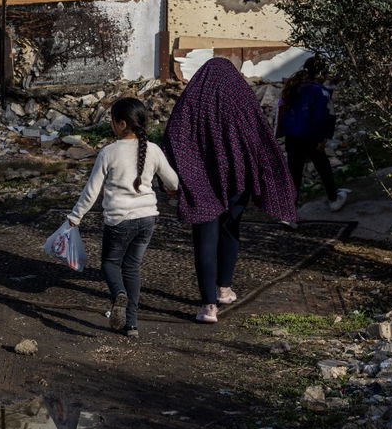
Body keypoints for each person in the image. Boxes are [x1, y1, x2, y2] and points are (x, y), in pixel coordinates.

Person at [163, 58, 297, 324]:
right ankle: (224, 289)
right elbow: (259, 137)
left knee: (205, 240)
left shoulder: (193, 99)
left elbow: (174, 136)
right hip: (238, 179)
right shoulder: (241, 98)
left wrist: (175, 178)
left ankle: (208, 307)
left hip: (200, 180)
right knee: (231, 229)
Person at [64, 97, 179, 337]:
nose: (112, 125)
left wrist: (75, 217)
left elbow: (91, 191)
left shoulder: (109, 152)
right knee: (132, 268)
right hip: (147, 218)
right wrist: (168, 188)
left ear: (122, 124)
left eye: (113, 121)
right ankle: (132, 325)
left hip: (119, 220)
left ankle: (118, 295)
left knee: (110, 263)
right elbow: (173, 182)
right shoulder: (154, 150)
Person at [277, 56, 350, 215]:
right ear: (322, 72)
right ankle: (333, 199)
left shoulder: (294, 87)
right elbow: (324, 116)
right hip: (311, 136)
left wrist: (282, 132)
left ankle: (290, 212)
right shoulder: (320, 91)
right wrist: (322, 138)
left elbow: (282, 109)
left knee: (294, 173)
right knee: (323, 167)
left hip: (293, 136)